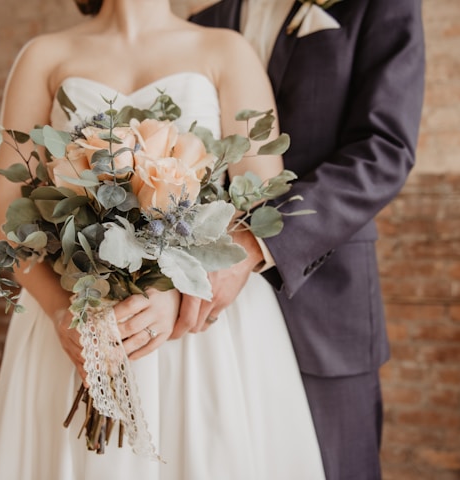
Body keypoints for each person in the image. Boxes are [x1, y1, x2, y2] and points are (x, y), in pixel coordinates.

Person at [0, 0, 327, 478]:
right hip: (81, 311)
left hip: (198, 327)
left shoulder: (226, 50)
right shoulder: (44, 55)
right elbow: (7, 208)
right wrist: (64, 311)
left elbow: (261, 202)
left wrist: (172, 290)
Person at [179, 1, 425, 479]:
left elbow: (384, 149)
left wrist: (255, 243)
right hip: (209, 324)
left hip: (325, 306)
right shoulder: (204, 21)